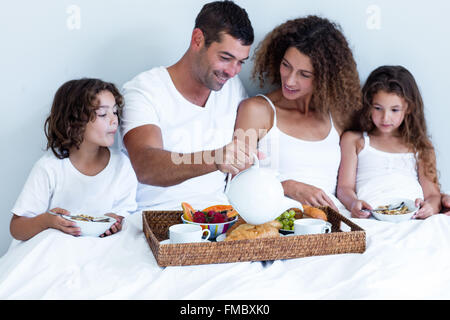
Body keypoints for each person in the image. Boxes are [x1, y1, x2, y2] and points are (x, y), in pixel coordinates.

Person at [121, 1, 255, 211]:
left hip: (219, 217)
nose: (232, 71)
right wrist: (215, 158)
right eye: (225, 58)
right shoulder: (144, 90)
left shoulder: (232, 87)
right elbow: (145, 166)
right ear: (198, 40)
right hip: (157, 218)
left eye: (240, 62)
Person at [232, 16, 362, 214]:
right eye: (286, 65)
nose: (290, 80)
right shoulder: (257, 110)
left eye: (304, 74)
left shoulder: (338, 117)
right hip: (278, 223)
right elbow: (237, 185)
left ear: (325, 77)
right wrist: (288, 186)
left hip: (332, 223)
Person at [10, 79, 138, 240]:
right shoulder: (50, 167)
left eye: (115, 112)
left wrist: (116, 220)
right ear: (74, 121)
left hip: (102, 251)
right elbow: (17, 228)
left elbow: (126, 214)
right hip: (54, 249)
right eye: (103, 114)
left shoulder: (122, 165)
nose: (114, 120)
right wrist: (46, 221)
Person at [337, 65, 442, 219]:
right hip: (371, 216)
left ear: (408, 108)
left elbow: (433, 195)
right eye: (378, 108)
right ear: (368, 105)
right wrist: (353, 203)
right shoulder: (355, 141)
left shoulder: (421, 146)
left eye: (394, 110)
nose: (385, 118)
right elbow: (344, 188)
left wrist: (430, 207)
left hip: (413, 218)